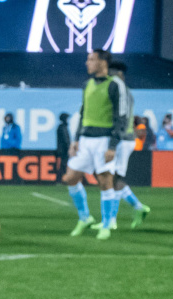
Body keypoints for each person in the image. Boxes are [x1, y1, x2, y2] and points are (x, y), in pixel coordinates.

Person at [61, 48, 127, 240]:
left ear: (102, 63)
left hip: (104, 140)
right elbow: (83, 114)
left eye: (91, 59)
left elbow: (120, 118)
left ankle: (106, 225)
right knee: (70, 177)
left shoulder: (115, 85)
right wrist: (75, 140)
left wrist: (113, 146)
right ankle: (85, 217)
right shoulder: (87, 84)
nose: (87, 63)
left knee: (105, 182)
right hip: (85, 140)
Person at [106, 61, 150, 230]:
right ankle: (139, 208)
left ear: (120, 74)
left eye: (113, 74)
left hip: (123, 140)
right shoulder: (122, 91)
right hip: (121, 139)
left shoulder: (123, 92)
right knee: (113, 177)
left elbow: (120, 118)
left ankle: (111, 221)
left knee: (115, 178)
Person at [56, 112, 71, 179]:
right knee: (63, 164)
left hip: (62, 149)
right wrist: (69, 148)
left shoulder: (62, 127)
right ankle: (62, 178)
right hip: (64, 150)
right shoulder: (62, 128)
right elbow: (65, 140)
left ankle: (62, 178)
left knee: (63, 164)